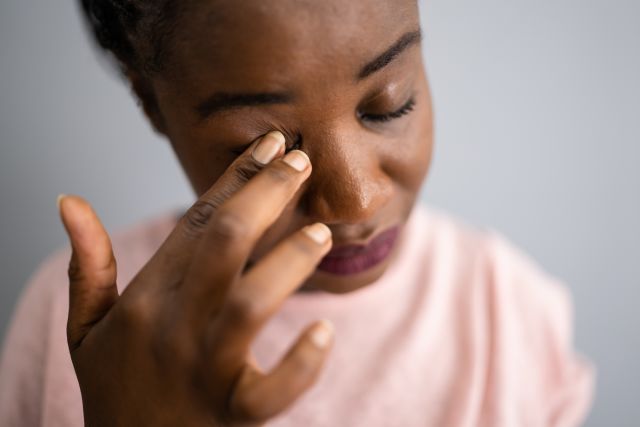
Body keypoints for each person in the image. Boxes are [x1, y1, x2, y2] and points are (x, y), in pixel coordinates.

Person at [0, 0, 595, 426]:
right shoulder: (84, 327)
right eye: (265, 148)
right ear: (151, 104)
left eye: (389, 106)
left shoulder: (509, 313)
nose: (357, 202)